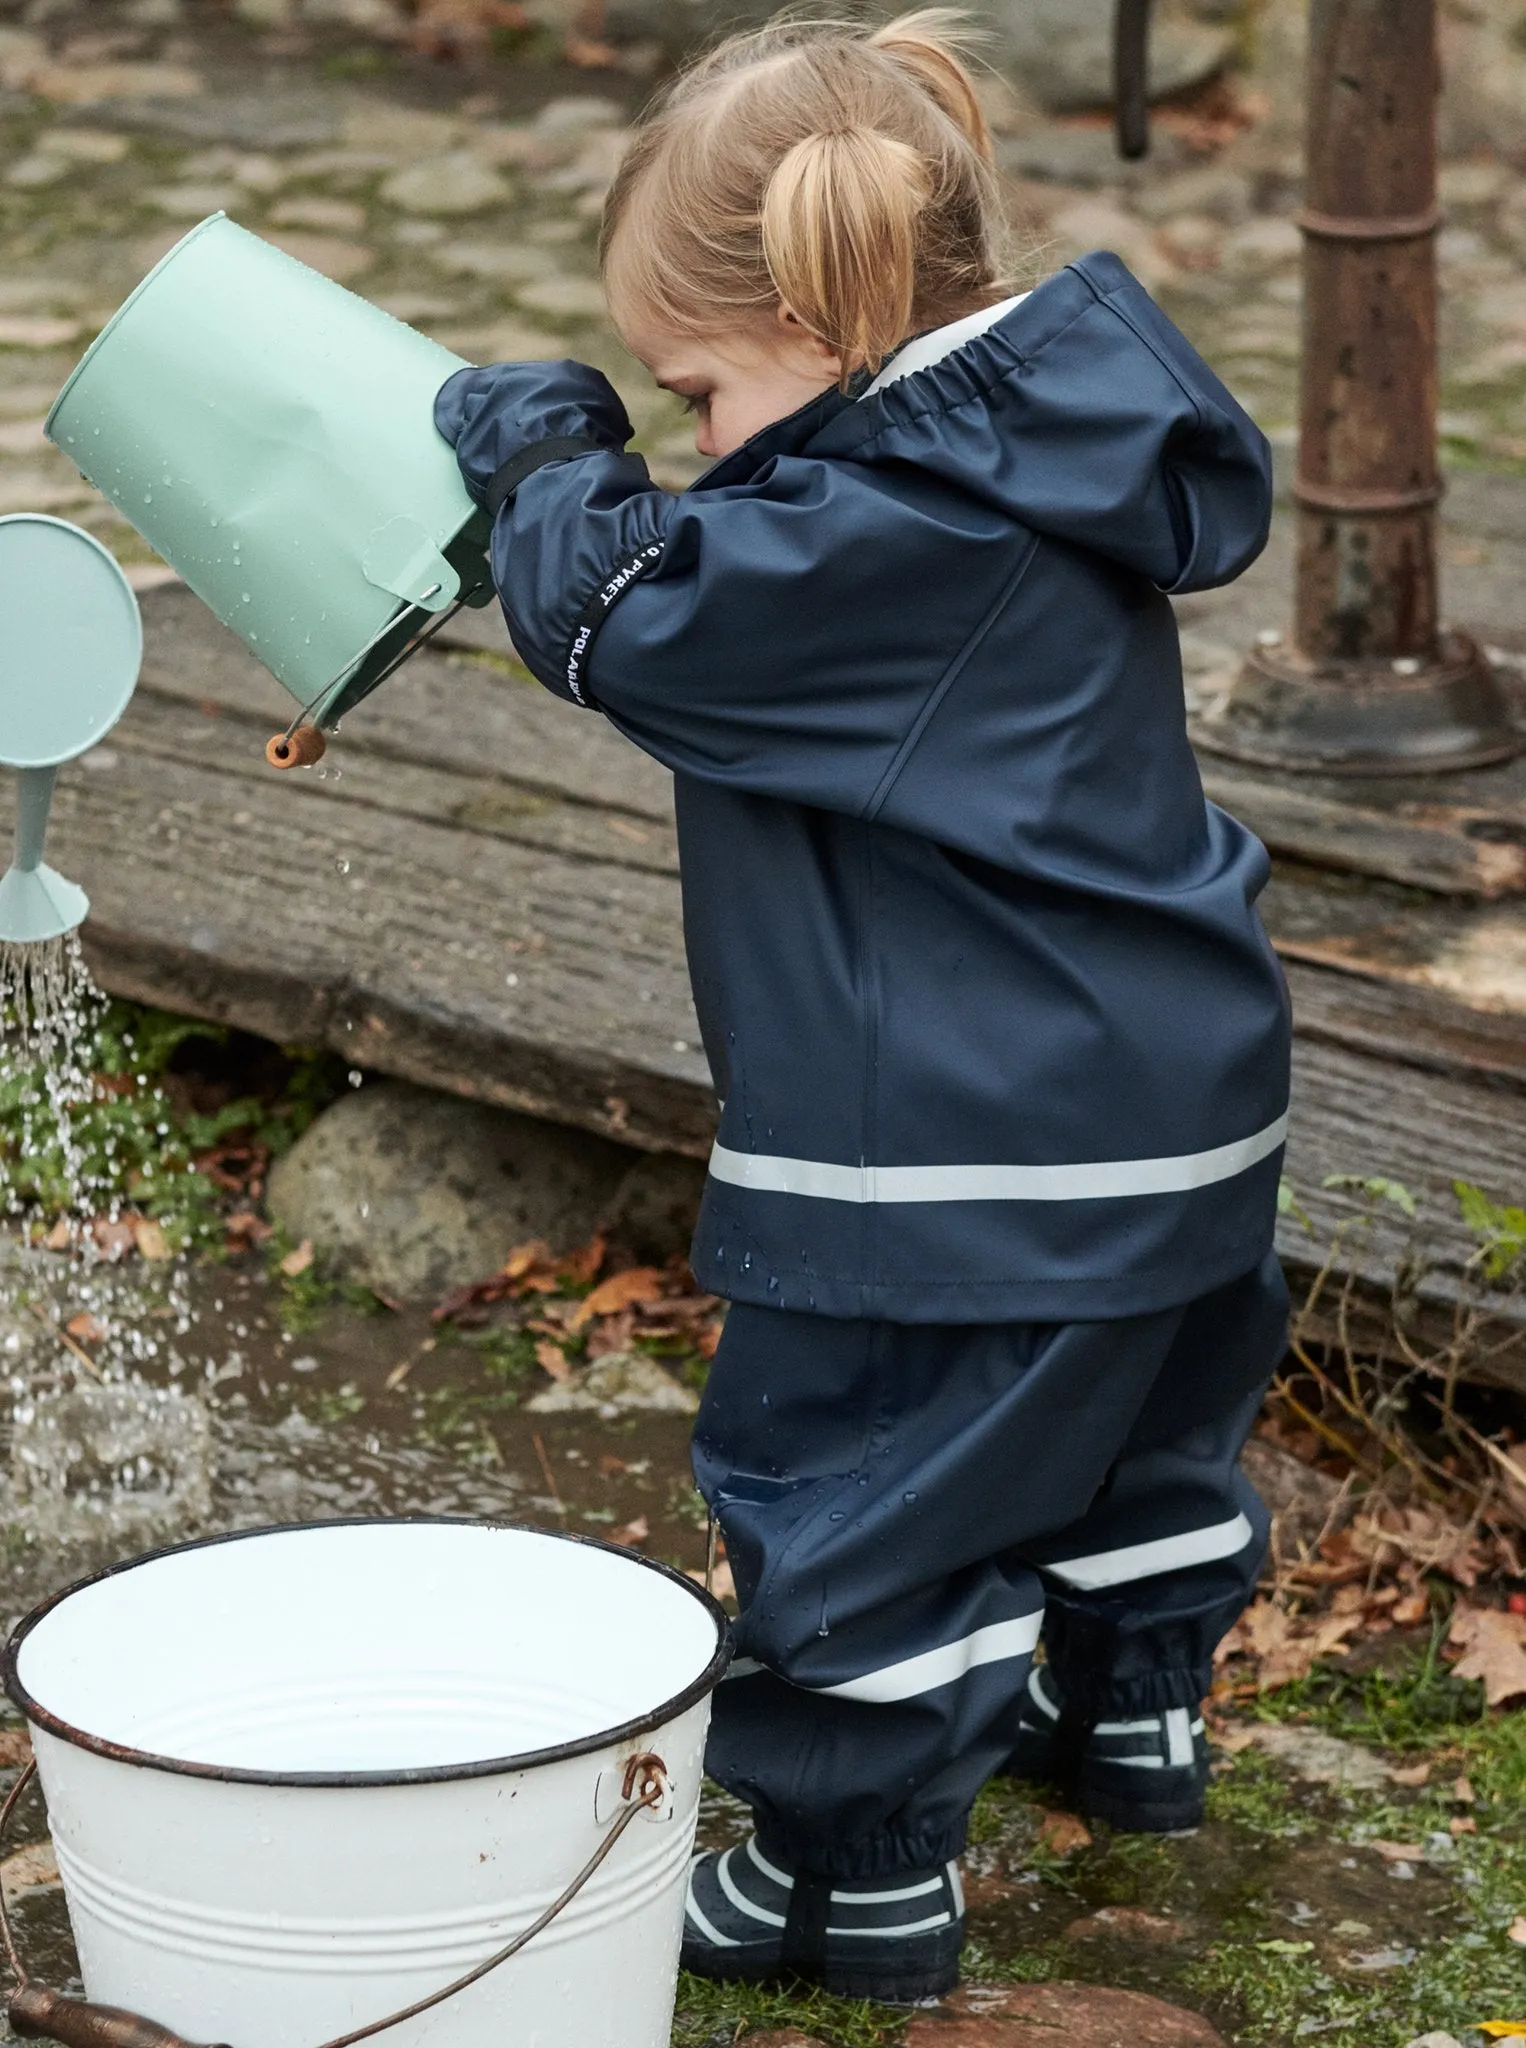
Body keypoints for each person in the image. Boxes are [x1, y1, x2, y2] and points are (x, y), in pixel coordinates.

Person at [434, 8, 1292, 2005]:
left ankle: (855, 1873)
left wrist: (553, 443)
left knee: (856, 1475)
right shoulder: (1041, 454)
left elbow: (622, 618)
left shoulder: (885, 526)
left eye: (702, 394)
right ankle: (1130, 1720)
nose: (704, 446)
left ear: (820, 319)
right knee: (1126, 1449)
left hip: (969, 1137)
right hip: (1179, 1090)